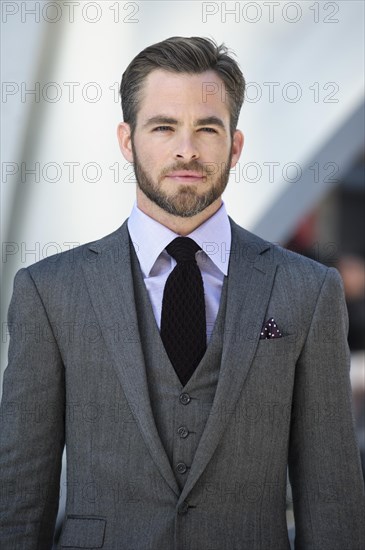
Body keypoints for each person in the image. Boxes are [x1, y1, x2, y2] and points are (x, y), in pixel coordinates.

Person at [0, 36, 364, 550]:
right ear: (127, 141)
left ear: (235, 146)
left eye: (207, 129)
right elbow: (18, 497)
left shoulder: (308, 290)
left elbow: (332, 499)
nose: (186, 150)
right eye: (164, 126)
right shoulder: (49, 291)